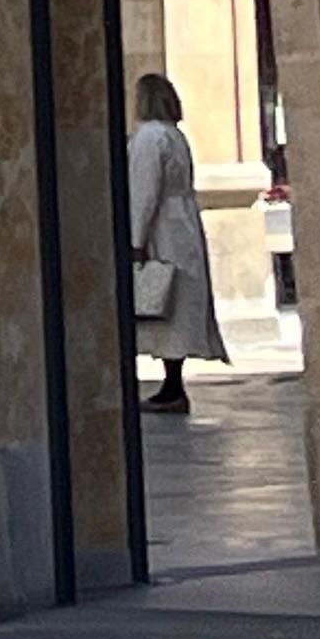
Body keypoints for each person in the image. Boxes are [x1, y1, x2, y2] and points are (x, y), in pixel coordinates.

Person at [129, 72, 226, 411]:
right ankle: (172, 383)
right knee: (175, 310)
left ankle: (169, 387)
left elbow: (143, 191)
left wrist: (135, 239)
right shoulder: (175, 136)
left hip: (161, 231)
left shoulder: (149, 138)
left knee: (161, 307)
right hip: (182, 226)